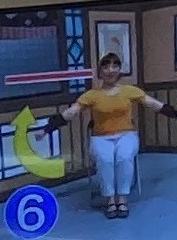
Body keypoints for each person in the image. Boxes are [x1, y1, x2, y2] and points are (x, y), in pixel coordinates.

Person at [59, 54, 165, 221]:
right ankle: (110, 200)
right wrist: (49, 128)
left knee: (124, 157)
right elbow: (72, 111)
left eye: (115, 66)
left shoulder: (129, 91)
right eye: (106, 67)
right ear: (100, 71)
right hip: (101, 137)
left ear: (119, 70)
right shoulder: (92, 95)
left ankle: (122, 199)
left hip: (126, 134)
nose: (111, 70)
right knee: (105, 159)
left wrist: (176, 113)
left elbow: (153, 103)